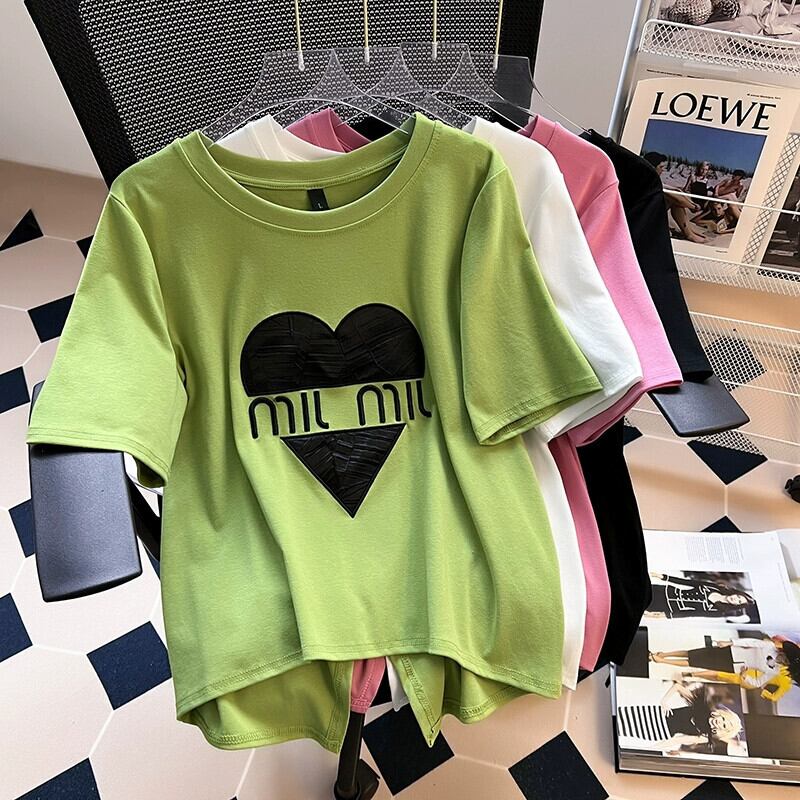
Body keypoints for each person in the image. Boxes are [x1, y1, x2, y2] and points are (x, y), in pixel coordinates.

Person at [617, 679, 743, 755]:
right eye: (724, 719)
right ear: (722, 714)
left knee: (620, 730)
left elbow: (678, 740)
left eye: (724, 725)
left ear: (723, 731)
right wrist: (664, 701)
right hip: (653, 713)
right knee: (619, 715)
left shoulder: (705, 736)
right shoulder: (702, 707)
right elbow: (678, 687)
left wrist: (653, 749)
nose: (720, 723)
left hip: (657, 732)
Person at [643, 151, 707, 244]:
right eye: (661, 167)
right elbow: (674, 196)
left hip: (651, 211)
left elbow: (675, 190)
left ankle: (689, 231)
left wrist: (684, 196)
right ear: (652, 167)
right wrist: (693, 206)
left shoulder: (653, 179)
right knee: (672, 199)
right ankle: (689, 233)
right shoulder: (648, 181)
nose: (663, 170)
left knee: (674, 196)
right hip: (646, 216)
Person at [644, 572, 757, 620]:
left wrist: (664, 615)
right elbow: (688, 582)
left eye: (738, 602)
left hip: (667, 605)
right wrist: (664, 577)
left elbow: (690, 613)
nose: (735, 599)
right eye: (738, 597)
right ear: (736, 593)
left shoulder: (718, 612)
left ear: (736, 606)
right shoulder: (715, 587)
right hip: (665, 591)